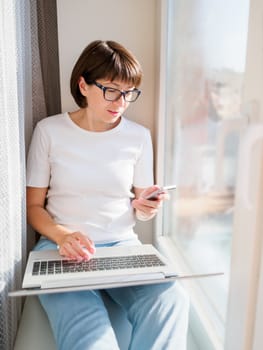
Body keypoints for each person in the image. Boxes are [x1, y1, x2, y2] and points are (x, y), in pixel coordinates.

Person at [26, 40, 189, 350]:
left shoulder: (138, 136)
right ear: (83, 85)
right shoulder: (49, 131)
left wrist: (146, 207)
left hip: (123, 246)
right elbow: (33, 206)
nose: (121, 102)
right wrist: (63, 236)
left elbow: (141, 205)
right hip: (62, 248)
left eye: (129, 93)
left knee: (171, 300)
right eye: (112, 90)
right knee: (92, 339)